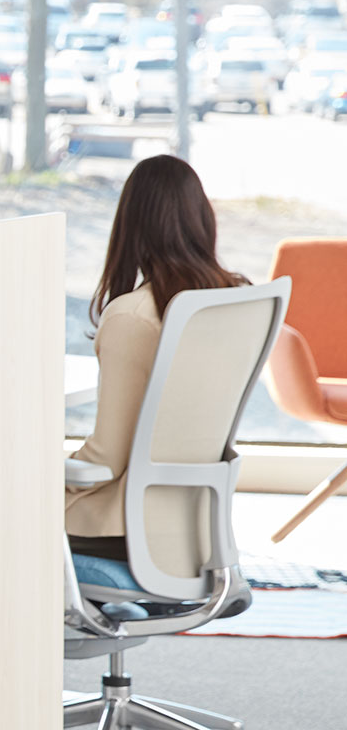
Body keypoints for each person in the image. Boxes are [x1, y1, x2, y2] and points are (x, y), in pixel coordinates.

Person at [67, 154, 249, 561]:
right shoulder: (231, 299)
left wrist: (43, 477)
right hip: (196, 526)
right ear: (202, 219)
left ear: (129, 225)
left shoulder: (132, 317)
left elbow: (107, 458)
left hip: (126, 528)